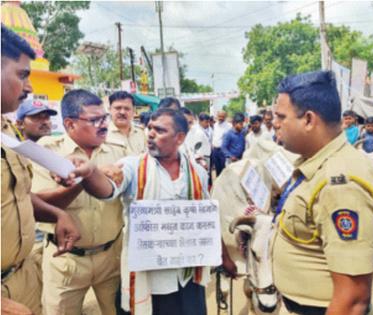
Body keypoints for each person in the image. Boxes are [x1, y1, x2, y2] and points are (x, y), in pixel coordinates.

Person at [56, 108, 237, 315]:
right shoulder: (133, 167)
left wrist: (225, 257)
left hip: (188, 279)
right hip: (151, 282)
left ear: (179, 138)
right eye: (149, 128)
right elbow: (106, 189)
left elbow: (207, 220)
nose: (150, 134)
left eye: (159, 130)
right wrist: (89, 173)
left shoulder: (198, 173)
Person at [271, 70, 373, 315]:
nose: (274, 123)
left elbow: (352, 300)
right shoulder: (317, 163)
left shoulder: (341, 183)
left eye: (281, 117)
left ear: (308, 119)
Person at [1, 24, 80, 315]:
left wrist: (57, 214)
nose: (30, 87)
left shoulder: (7, 129)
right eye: (22, 74)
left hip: (23, 278)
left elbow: (16, 197)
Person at [32, 89, 127, 315]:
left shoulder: (119, 151)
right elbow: (37, 204)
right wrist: (85, 178)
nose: (104, 125)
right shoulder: (47, 153)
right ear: (70, 123)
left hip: (111, 256)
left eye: (104, 118)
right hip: (66, 261)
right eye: (95, 120)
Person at [107, 91, 147, 155]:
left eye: (127, 108)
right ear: (110, 110)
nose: (122, 112)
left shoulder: (141, 132)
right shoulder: (103, 135)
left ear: (133, 111)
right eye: (118, 108)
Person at [211, 110, 231, 176]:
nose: (221, 118)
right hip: (215, 150)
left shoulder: (229, 126)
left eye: (223, 116)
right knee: (217, 169)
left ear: (225, 117)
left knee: (224, 170)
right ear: (217, 116)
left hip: (223, 151)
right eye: (219, 116)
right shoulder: (215, 125)